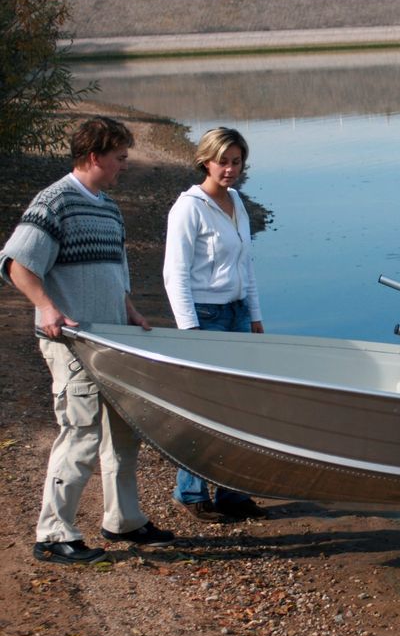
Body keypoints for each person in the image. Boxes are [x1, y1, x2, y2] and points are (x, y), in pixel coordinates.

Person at [0, 116, 175, 564]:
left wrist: (129, 308)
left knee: (123, 433)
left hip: (114, 341)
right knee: (79, 433)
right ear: (94, 156)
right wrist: (45, 306)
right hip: (73, 343)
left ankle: (124, 520)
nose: (124, 166)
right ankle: (53, 533)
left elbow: (113, 270)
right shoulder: (55, 202)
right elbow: (17, 263)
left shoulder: (108, 206)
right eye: (119, 158)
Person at [163, 127, 267, 523]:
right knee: (205, 407)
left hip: (238, 313)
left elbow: (246, 264)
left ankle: (233, 493)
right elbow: (175, 274)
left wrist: (255, 315)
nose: (230, 169)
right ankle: (190, 491)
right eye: (223, 161)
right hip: (205, 317)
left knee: (239, 407)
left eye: (236, 162)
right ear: (205, 161)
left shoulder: (237, 202)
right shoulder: (188, 207)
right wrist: (190, 332)